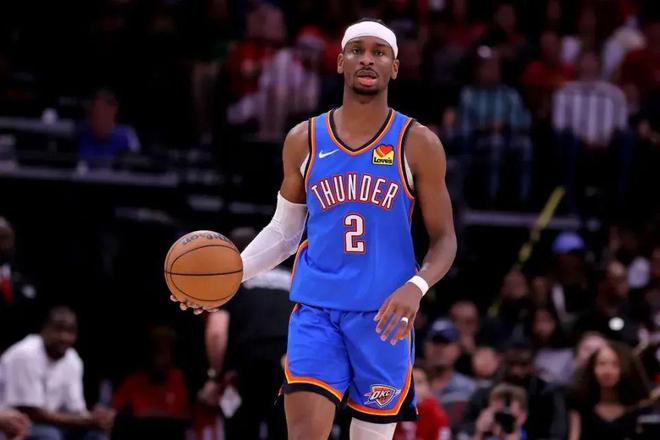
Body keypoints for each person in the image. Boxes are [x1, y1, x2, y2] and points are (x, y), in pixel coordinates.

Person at [174, 18, 457, 440]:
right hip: (317, 312)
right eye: (357, 50)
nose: (367, 59)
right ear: (340, 62)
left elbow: (445, 239)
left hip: (384, 318)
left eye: (379, 52)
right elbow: (284, 232)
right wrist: (230, 276)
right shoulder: (304, 138)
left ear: (395, 67)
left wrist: (416, 287)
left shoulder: (418, 143)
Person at [199, 227, 292, 440]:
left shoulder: (233, 281)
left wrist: (215, 376)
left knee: (242, 430)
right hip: (289, 362)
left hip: (248, 365)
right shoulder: (293, 278)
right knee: (286, 432)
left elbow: (216, 332)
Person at [0, 307, 114, 440]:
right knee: (49, 435)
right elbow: (32, 412)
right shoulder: (26, 353)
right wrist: (85, 421)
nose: (64, 337)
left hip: (53, 423)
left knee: (97, 435)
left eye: (70, 331)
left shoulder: (72, 359)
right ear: (44, 330)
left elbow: (76, 409)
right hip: (17, 422)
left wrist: (96, 418)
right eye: (58, 330)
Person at [552, 51, 631, 210]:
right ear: (577, 65)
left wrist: (604, 139)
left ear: (600, 65)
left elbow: (621, 126)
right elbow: (559, 126)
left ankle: (618, 205)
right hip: (576, 145)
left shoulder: (615, 94)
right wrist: (584, 140)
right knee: (567, 142)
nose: (588, 65)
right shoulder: (564, 92)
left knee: (627, 141)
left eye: (592, 61)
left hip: (608, 145)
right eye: (585, 61)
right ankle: (571, 204)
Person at [457, 48, 532, 205]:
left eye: (494, 67)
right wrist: (487, 127)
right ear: (478, 70)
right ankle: (490, 199)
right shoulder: (468, 94)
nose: (492, 71)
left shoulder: (509, 95)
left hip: (508, 137)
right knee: (495, 144)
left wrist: (504, 125)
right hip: (478, 140)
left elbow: (523, 121)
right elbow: (464, 126)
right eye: (487, 67)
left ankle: (523, 199)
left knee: (526, 145)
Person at [459, 340, 568, 440]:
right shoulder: (486, 394)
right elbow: (463, 430)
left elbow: (557, 434)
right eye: (511, 363)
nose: (516, 371)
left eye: (523, 364)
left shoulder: (547, 394)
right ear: (502, 361)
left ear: (533, 364)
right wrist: (478, 431)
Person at [111, 325, 189, 440]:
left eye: (166, 346)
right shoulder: (133, 381)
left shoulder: (178, 378)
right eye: (157, 346)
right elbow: (114, 413)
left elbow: (185, 416)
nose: (161, 351)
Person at [568, 341, 652, 440]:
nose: (607, 371)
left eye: (615, 365)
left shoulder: (642, 407)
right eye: (601, 364)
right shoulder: (580, 403)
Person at [424, 319, 476, 429]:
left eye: (445, 343)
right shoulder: (409, 385)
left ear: (457, 349)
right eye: (435, 343)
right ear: (426, 347)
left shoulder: (469, 389)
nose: (439, 349)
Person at [0, 217, 40, 354]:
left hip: (20, 352)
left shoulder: (24, 272)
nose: (5, 245)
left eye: (8, 238)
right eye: (1, 238)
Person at [77, 90, 140, 169]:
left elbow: (135, 166)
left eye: (102, 111)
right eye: (93, 113)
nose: (97, 117)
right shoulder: (81, 133)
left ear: (113, 111)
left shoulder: (126, 134)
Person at [394, 363, 450, 440]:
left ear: (429, 386)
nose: (412, 387)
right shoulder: (390, 409)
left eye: (419, 382)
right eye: (407, 381)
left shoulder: (436, 415)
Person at [526, 306, 573, 386]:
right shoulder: (528, 350)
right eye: (537, 321)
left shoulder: (569, 354)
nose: (540, 327)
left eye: (545, 321)